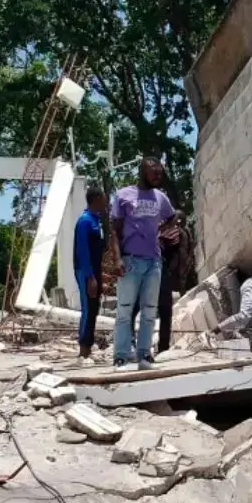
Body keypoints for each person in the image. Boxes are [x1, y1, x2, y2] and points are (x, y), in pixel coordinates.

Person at [110, 157, 177, 368]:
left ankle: (144, 354)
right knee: (125, 309)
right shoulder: (123, 196)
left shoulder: (161, 197)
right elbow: (113, 230)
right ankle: (121, 354)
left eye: (160, 173)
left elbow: (173, 216)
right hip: (130, 260)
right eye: (154, 172)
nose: (158, 176)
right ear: (143, 172)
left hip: (154, 262)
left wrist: (161, 231)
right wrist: (117, 259)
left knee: (150, 310)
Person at [134, 209, 194, 353]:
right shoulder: (165, 230)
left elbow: (182, 259)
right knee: (161, 310)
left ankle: (160, 348)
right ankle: (159, 348)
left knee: (161, 309)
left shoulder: (178, 233)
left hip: (156, 270)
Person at [74, 187, 108, 361]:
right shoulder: (85, 221)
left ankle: (88, 346)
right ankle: (83, 348)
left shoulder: (97, 221)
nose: (106, 201)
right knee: (88, 307)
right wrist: (90, 277)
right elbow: (83, 251)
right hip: (86, 271)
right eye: (103, 198)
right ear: (96, 199)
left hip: (95, 270)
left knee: (94, 307)